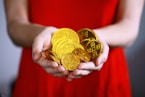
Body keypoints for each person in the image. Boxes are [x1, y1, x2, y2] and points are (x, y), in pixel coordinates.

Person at [4, 0, 144, 97]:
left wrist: (95, 39)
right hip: (41, 68)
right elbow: (15, 24)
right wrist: (41, 33)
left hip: (104, 75)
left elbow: (129, 26)